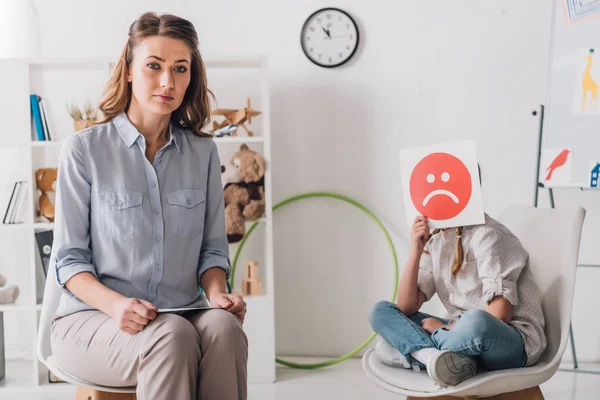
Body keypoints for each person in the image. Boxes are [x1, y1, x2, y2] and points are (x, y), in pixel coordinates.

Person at [49, 12, 248, 400]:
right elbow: (69, 261)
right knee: (170, 337)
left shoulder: (203, 152)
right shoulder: (83, 150)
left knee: (224, 329)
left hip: (182, 313)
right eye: (153, 66)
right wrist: (117, 305)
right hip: (92, 322)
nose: (166, 82)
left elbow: (212, 250)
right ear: (128, 69)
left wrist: (218, 293)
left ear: (192, 77)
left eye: (180, 69)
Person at [369, 211, 546, 387]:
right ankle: (436, 358)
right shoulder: (436, 240)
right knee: (381, 311)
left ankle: (418, 353)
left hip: (508, 339)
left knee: (477, 321)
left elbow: (500, 314)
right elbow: (406, 307)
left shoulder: (488, 233)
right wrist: (416, 249)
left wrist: (443, 329)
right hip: (459, 334)